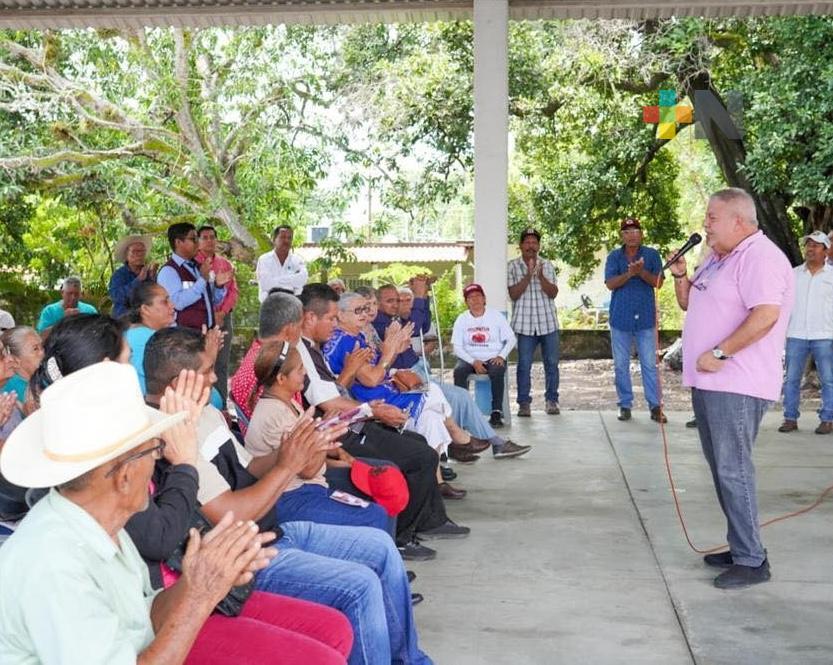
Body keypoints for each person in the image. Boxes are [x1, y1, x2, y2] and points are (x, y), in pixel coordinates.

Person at [144, 326, 433, 665]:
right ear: (182, 381)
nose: (213, 380)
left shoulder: (205, 412)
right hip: (249, 556)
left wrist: (294, 446)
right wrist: (288, 465)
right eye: (207, 372)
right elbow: (230, 517)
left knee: (382, 548)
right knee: (360, 586)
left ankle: (410, 660)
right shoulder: (173, 431)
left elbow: (250, 466)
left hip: (275, 528)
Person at [0, 361, 282, 663]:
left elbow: (144, 615)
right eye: (155, 450)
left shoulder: (100, 522)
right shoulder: (54, 563)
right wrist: (201, 595)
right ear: (124, 477)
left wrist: (197, 579)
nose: (158, 462)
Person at [232, 289, 464, 560]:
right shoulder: (280, 361)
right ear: (293, 326)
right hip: (299, 465)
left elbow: (320, 405)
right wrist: (363, 412)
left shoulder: (286, 355)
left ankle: (422, 523)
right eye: (333, 317)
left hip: (318, 442)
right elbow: (321, 410)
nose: (363, 316)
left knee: (417, 445)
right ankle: (399, 540)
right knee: (407, 461)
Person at [669, 187, 794, 590]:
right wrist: (681, 275)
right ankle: (742, 544)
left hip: (735, 382)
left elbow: (767, 316)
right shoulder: (719, 257)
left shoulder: (761, 257)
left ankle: (752, 560)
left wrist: (721, 353)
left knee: (732, 468)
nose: (705, 224)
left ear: (739, 221)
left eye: (712, 218)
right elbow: (690, 304)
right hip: (709, 381)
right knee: (723, 468)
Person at [245, 340, 391, 533]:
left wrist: (331, 442)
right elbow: (309, 470)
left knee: (382, 486)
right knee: (375, 515)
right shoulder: (275, 414)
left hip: (306, 489)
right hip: (290, 497)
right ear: (281, 378)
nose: (304, 373)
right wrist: (324, 433)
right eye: (299, 370)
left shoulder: (287, 404)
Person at [604, 217, 666, 423]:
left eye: (635, 231)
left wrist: (642, 273)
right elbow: (610, 284)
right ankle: (624, 405)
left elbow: (658, 283)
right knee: (621, 365)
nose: (631, 235)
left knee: (649, 364)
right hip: (620, 319)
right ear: (622, 235)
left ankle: (655, 406)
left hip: (645, 319)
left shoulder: (651, 255)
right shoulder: (614, 257)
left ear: (641, 234)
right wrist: (629, 274)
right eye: (627, 232)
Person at [778, 230, 833, 434]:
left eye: (816, 245)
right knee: (791, 379)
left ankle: (828, 418)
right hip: (796, 334)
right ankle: (790, 418)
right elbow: (783, 304)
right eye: (808, 245)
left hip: (825, 335)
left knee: (828, 379)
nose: (810, 249)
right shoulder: (793, 275)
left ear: (825, 251)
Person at [507, 228, 560, 417]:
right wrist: (529, 276)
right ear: (520, 246)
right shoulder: (512, 266)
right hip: (524, 325)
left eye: (534, 243)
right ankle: (524, 404)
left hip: (548, 323)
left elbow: (553, 293)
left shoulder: (547, 265)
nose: (531, 246)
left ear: (538, 246)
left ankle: (552, 400)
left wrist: (540, 276)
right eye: (527, 242)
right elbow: (513, 294)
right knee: (524, 365)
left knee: (552, 364)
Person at [452, 282, 516, 429]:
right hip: (469, 358)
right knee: (459, 371)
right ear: (466, 302)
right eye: (470, 298)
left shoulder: (496, 316)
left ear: (484, 298)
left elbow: (511, 339)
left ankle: (496, 413)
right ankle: (463, 412)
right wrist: (473, 361)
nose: (475, 300)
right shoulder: (462, 319)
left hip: (493, 357)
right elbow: (457, 347)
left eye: (478, 296)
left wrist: (501, 356)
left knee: (497, 370)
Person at [157, 222, 232, 330]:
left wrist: (218, 286)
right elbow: (177, 303)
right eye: (193, 239)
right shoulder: (169, 271)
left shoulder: (198, 267)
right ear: (178, 242)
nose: (198, 243)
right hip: (183, 336)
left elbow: (212, 300)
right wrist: (202, 280)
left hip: (204, 332)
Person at [196, 225, 238, 406]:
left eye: (212, 237)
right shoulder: (193, 263)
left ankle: (221, 403)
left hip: (223, 317)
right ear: (197, 241)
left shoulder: (224, 264)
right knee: (202, 362)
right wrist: (212, 313)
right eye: (204, 237)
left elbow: (233, 292)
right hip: (202, 318)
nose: (209, 241)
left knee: (221, 363)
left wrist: (222, 312)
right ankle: (202, 402)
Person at [108, 234, 157, 318]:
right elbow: (117, 297)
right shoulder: (119, 275)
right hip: (124, 320)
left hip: (146, 318)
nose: (139, 255)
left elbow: (155, 297)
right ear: (126, 255)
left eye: (142, 251)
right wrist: (138, 280)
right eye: (135, 251)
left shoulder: (149, 273)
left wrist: (152, 278)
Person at [256, 225, 308, 301]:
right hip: (270, 304)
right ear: (274, 240)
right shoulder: (264, 260)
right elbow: (265, 284)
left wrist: (275, 281)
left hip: (293, 305)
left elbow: (302, 281)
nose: (286, 241)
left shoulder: (298, 260)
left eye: (289, 238)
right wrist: (292, 281)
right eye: (283, 237)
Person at [1, 326, 44, 403]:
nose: (42, 353)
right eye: (35, 349)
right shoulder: (12, 391)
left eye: (42, 347)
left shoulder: (39, 378)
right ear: (15, 359)